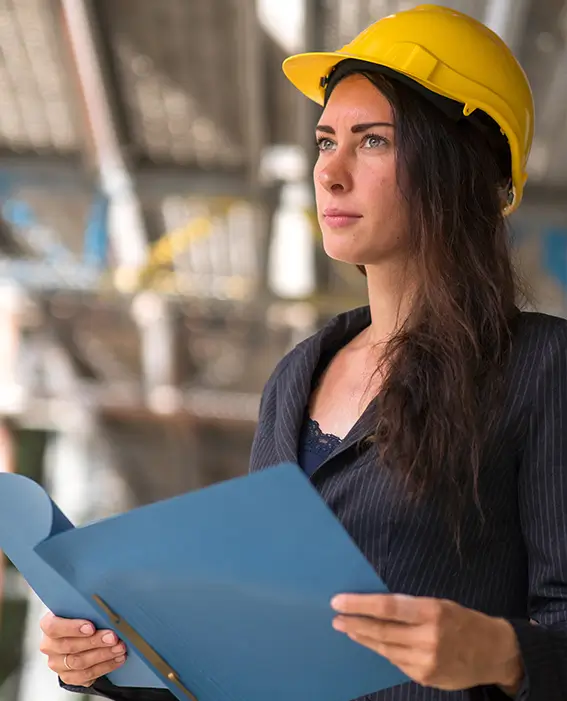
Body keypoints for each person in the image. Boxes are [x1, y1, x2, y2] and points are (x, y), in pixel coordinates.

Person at [39, 4, 567, 700]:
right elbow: (246, 653)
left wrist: (502, 651)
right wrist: (110, 659)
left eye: (372, 141)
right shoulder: (296, 376)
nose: (330, 172)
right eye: (325, 141)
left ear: (459, 166)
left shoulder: (538, 369)